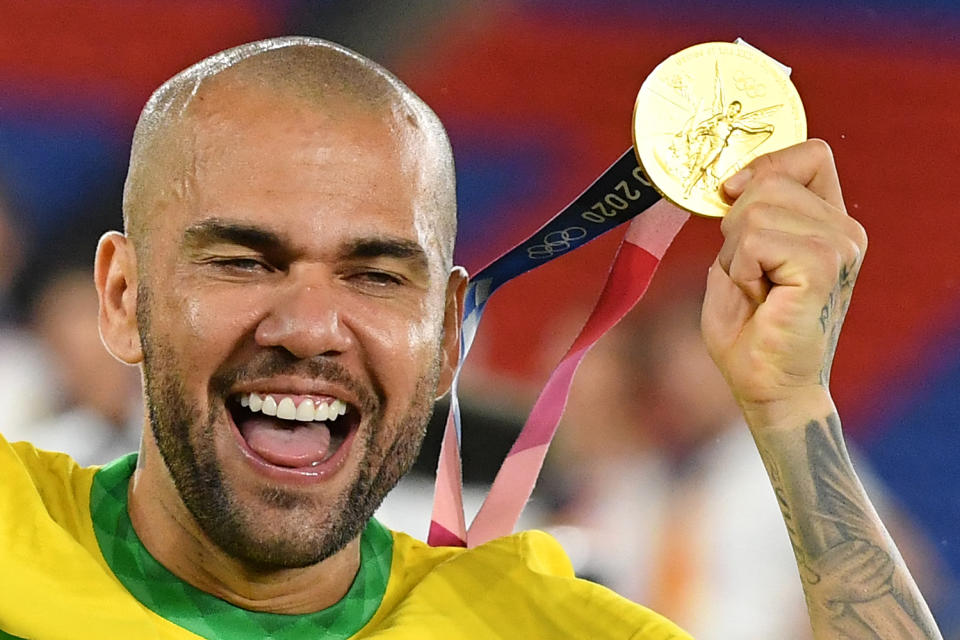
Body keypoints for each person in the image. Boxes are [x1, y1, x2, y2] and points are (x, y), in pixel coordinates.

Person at [0, 36, 942, 638]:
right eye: (243, 261)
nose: (310, 329)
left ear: (451, 333)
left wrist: (789, 405)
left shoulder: (530, 626)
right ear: (123, 298)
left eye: (375, 275)